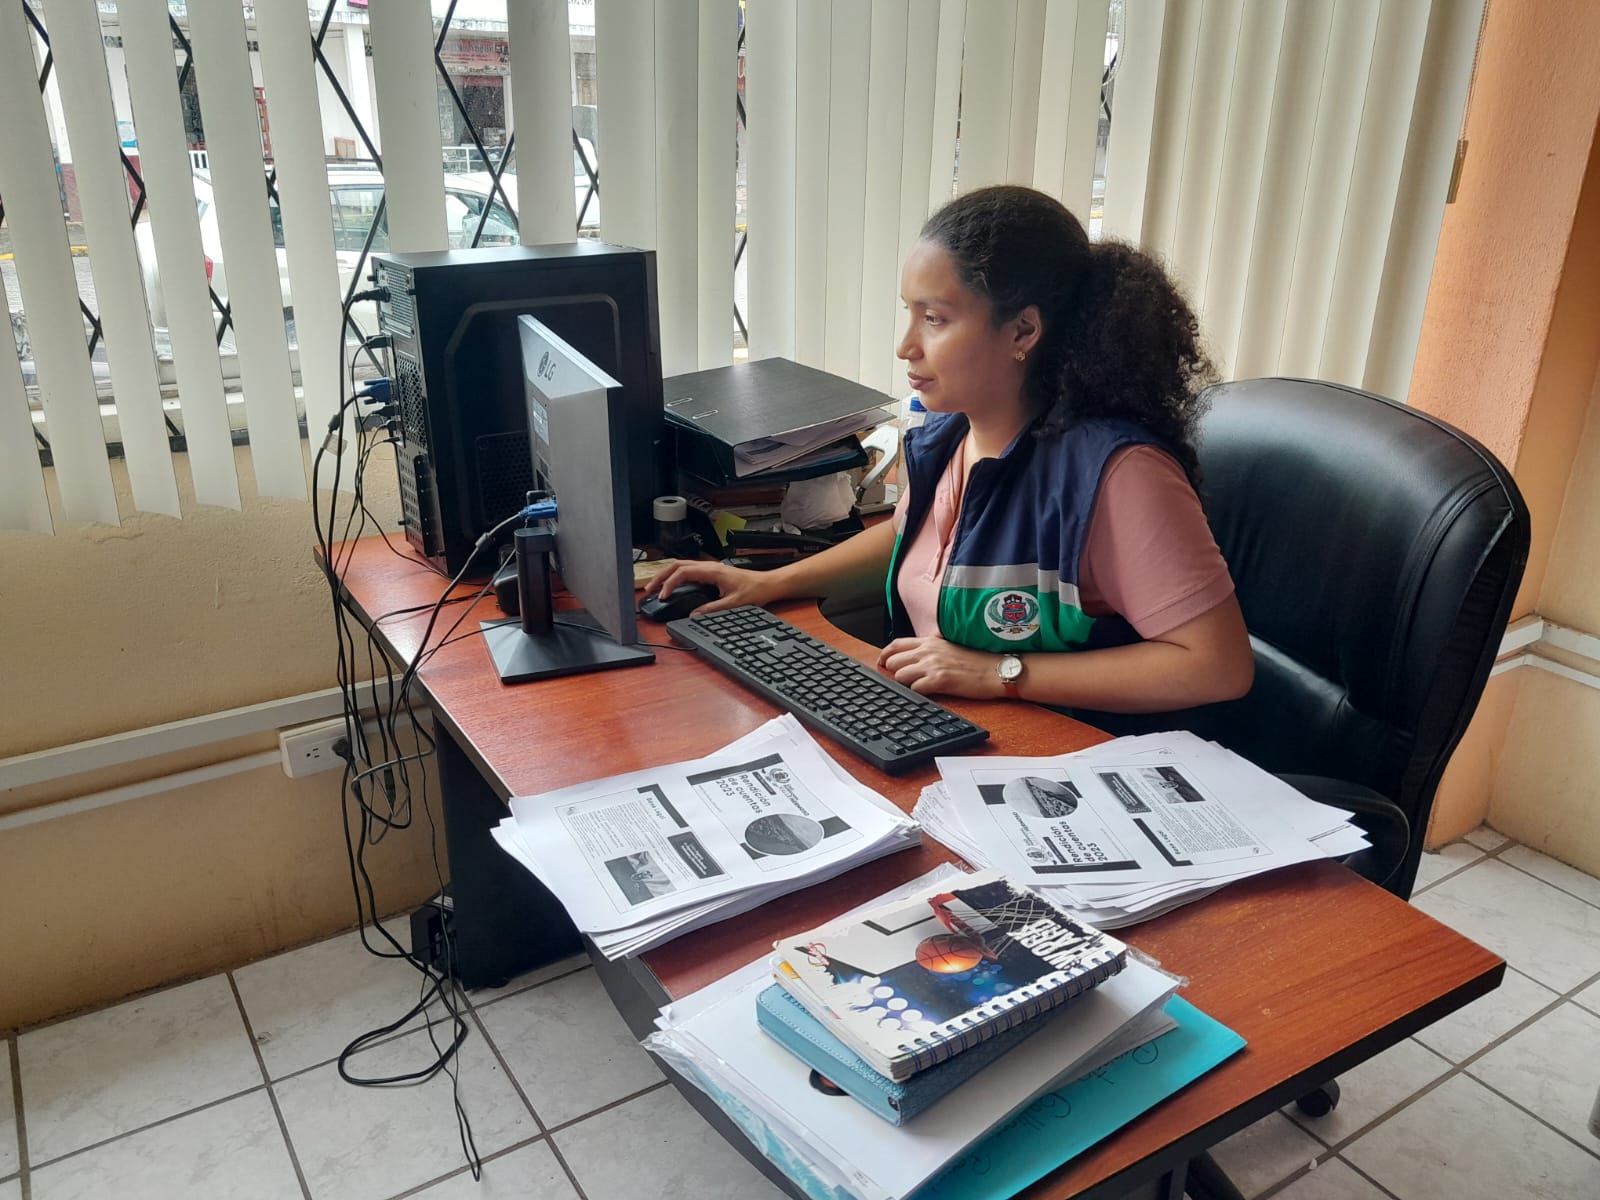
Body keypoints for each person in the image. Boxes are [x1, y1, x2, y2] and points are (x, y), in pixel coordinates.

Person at [645, 185, 1253, 713]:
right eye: (909, 314)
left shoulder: (1117, 475)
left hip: (1071, 761)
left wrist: (999, 674)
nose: (906, 346)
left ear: (1022, 331)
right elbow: (909, 534)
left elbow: (1217, 665)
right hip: (954, 734)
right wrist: (769, 583)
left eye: (934, 318)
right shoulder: (951, 437)